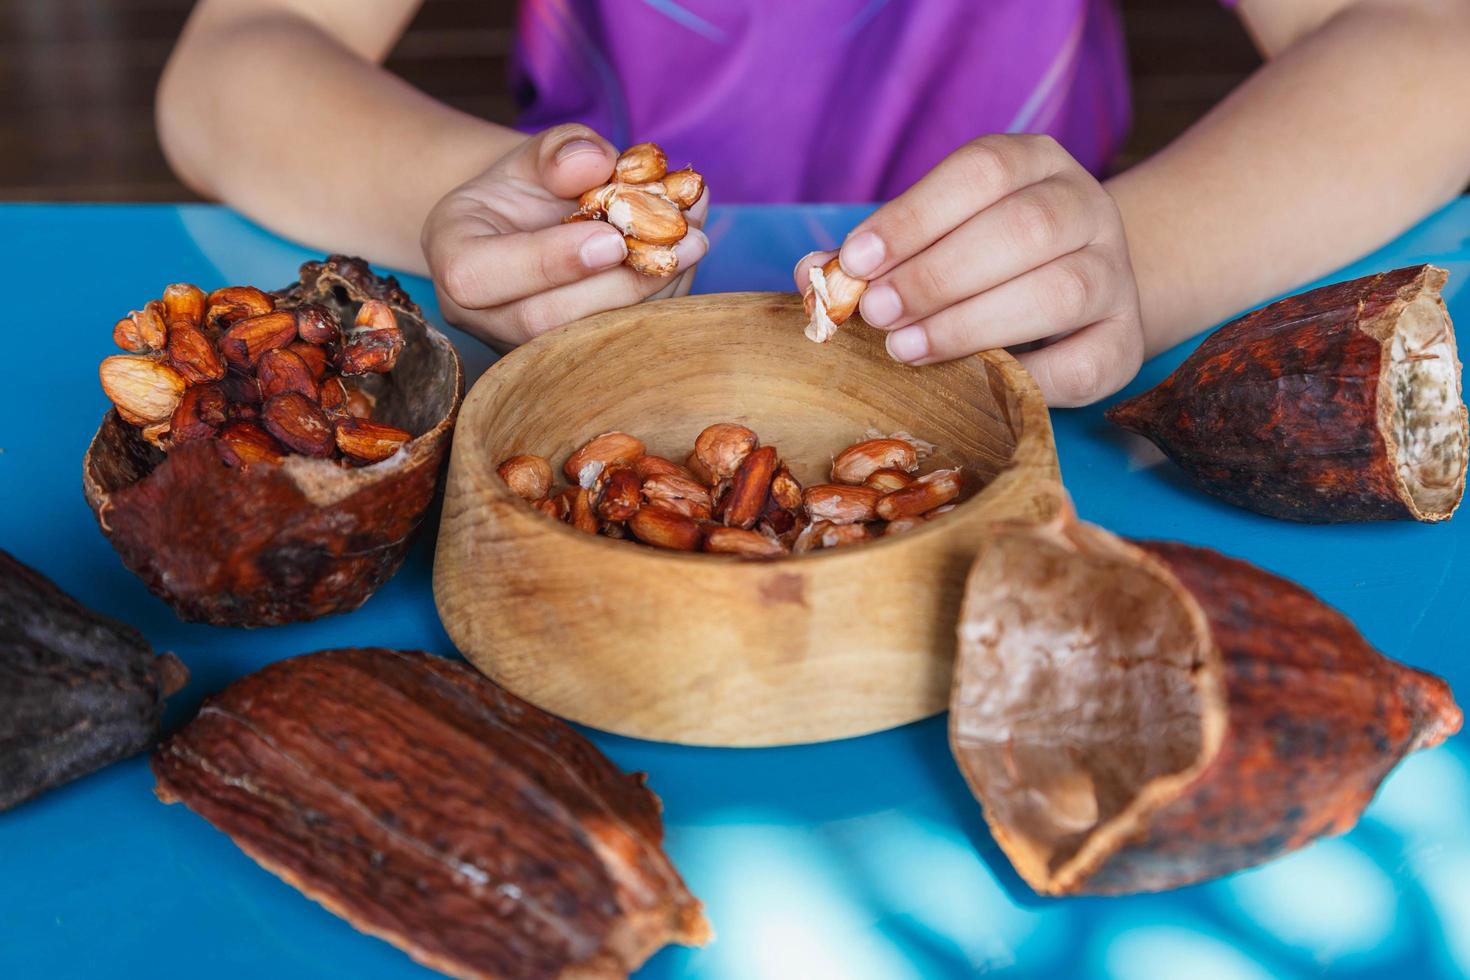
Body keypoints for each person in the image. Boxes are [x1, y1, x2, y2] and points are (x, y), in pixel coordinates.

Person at [156, 1, 1470, 406]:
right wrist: (463, 203)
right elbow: (232, 64)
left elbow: (1432, 49)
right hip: (589, 388)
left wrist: (1137, 259)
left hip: (1038, 404)